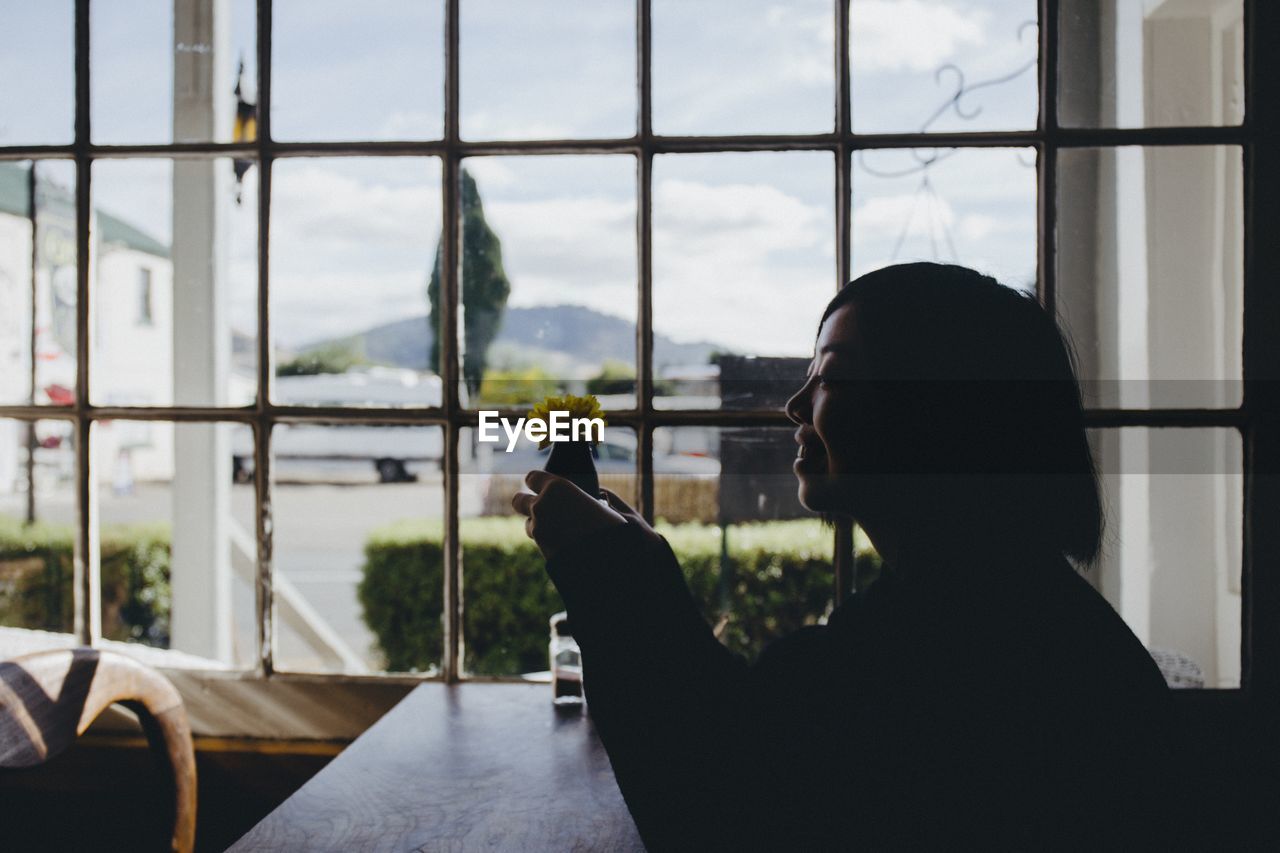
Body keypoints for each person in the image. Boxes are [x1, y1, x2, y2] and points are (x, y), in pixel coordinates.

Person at [513, 263, 1177, 850]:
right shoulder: (1023, 613)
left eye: (831, 376)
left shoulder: (934, 652)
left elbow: (716, 809)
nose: (796, 405)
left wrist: (613, 573)